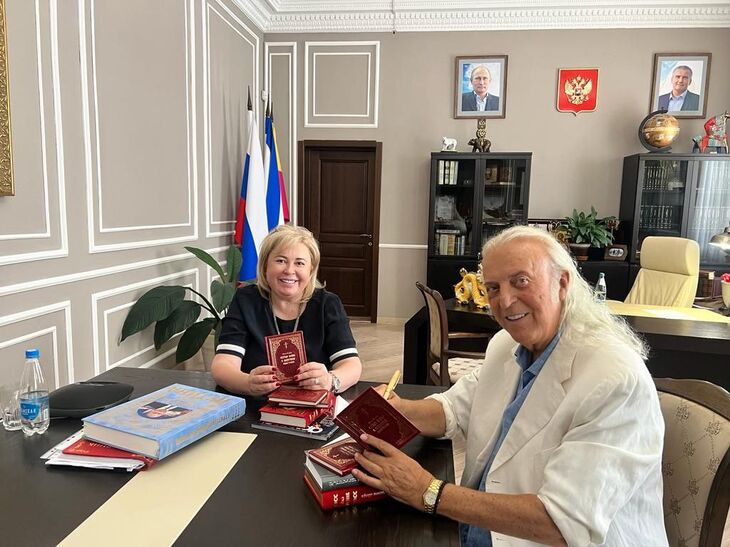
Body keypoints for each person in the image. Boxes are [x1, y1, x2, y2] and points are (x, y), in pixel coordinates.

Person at [352, 226, 667, 546]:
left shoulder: (615, 379)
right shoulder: (506, 344)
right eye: (493, 288)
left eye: (521, 281)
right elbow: (455, 408)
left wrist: (427, 491)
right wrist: (399, 409)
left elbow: (562, 523)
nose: (505, 301)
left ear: (562, 283)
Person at [211, 225, 362, 397]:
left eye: (299, 263)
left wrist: (330, 380)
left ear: (311, 270)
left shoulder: (327, 304)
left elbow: (351, 365)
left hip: (313, 405)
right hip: (257, 403)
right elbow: (222, 365)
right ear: (265, 265)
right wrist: (247, 384)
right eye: (281, 260)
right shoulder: (246, 300)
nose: (289, 270)